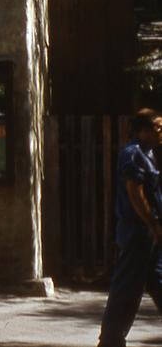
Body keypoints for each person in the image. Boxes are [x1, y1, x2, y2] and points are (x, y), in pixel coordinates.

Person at [97, 109, 162, 347]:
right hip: (138, 233)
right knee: (126, 290)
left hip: (149, 234)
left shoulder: (148, 153)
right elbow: (135, 194)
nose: (161, 131)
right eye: (157, 127)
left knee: (158, 281)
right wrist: (153, 224)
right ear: (142, 130)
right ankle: (110, 340)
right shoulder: (133, 154)